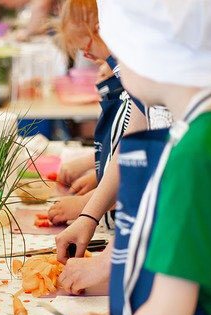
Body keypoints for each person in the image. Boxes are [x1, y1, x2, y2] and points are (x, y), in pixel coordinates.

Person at [48, 2, 211, 315]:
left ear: (155, 54)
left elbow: (171, 312)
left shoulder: (195, 157)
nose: (116, 66)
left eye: (123, 53)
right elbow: (202, 280)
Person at [47, 0, 134, 225]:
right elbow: (121, 151)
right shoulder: (123, 73)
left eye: (86, 46)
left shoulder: (136, 82)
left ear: (100, 27)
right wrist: (99, 172)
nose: (88, 56)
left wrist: (87, 205)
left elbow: (141, 174)